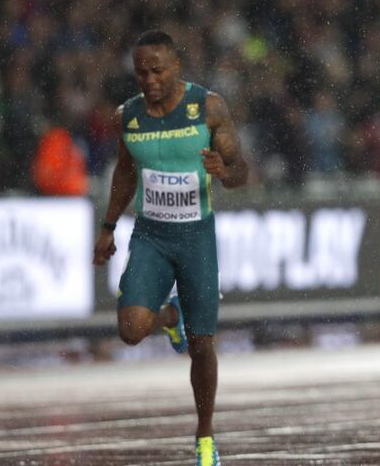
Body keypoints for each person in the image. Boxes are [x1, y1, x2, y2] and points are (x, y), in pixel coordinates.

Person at [93, 30, 248, 466]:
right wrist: (107, 227)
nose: (150, 79)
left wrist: (225, 170)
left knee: (202, 346)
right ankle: (170, 316)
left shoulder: (208, 107)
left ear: (177, 66)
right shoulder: (129, 116)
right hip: (151, 235)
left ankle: (204, 437)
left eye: (158, 70)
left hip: (196, 236)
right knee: (130, 330)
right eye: (142, 72)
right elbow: (125, 173)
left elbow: (241, 170)